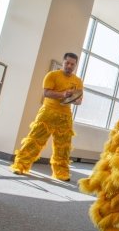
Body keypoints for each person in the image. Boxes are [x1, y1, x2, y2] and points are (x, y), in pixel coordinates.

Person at [10, 52, 83, 181]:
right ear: (63, 62)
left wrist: (75, 100)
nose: (69, 66)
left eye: (72, 64)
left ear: (75, 65)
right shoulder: (52, 75)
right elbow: (46, 93)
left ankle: (61, 173)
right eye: (67, 63)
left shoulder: (77, 81)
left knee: (63, 146)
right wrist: (64, 94)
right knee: (34, 140)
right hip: (48, 112)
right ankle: (20, 165)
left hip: (65, 116)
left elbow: (79, 100)